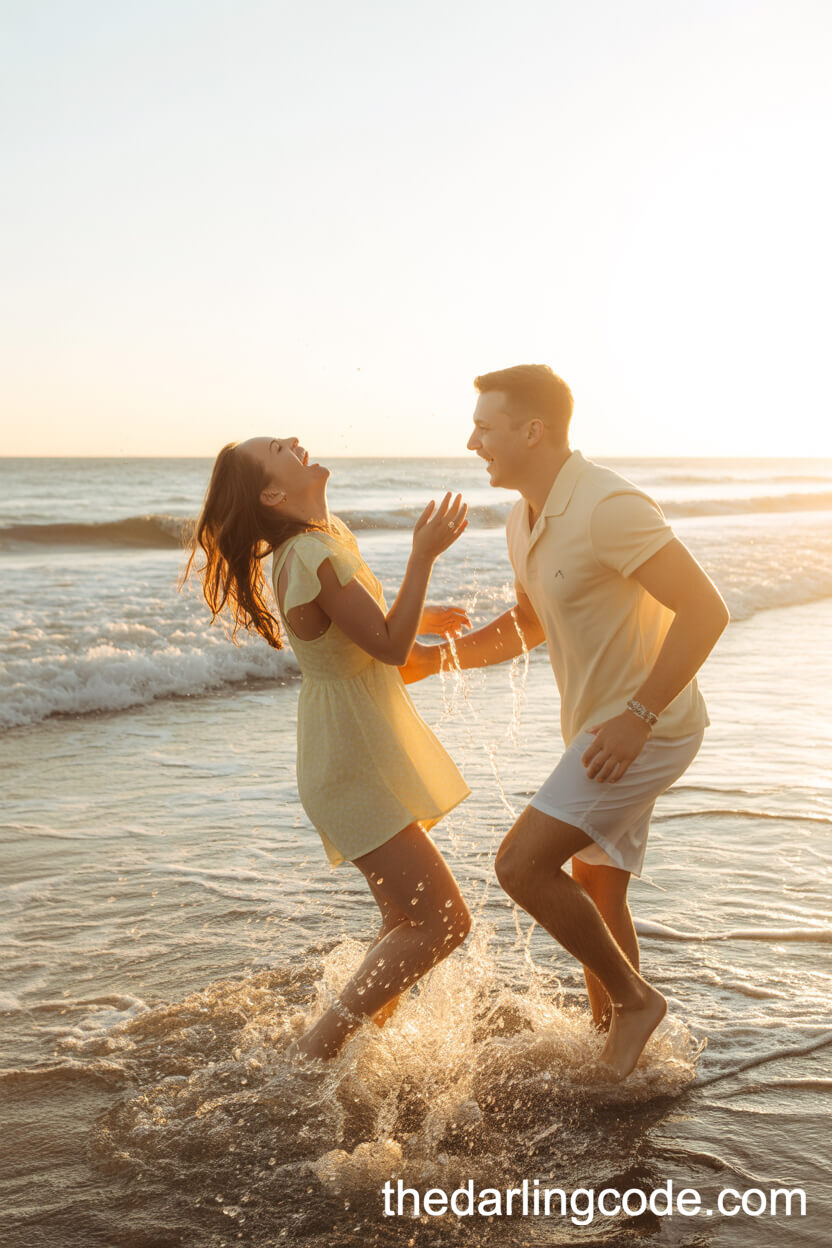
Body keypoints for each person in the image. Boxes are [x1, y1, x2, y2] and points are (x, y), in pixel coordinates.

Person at [403, 365, 729, 1080]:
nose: (472, 441)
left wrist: (639, 717)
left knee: (521, 864)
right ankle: (619, 1044)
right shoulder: (523, 517)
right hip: (601, 731)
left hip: (649, 729)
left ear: (533, 430)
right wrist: (438, 660)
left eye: (485, 429)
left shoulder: (608, 505)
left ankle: (636, 1004)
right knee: (598, 882)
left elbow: (706, 611)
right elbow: (528, 624)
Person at [184, 435, 472, 1060]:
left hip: (342, 749)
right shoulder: (313, 553)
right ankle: (317, 1053)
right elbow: (391, 648)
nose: (294, 441)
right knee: (444, 922)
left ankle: (357, 1056)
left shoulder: (311, 544)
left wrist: (417, 616)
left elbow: (355, 629)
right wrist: (422, 557)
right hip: (352, 760)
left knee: (406, 922)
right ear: (273, 494)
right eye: (278, 447)